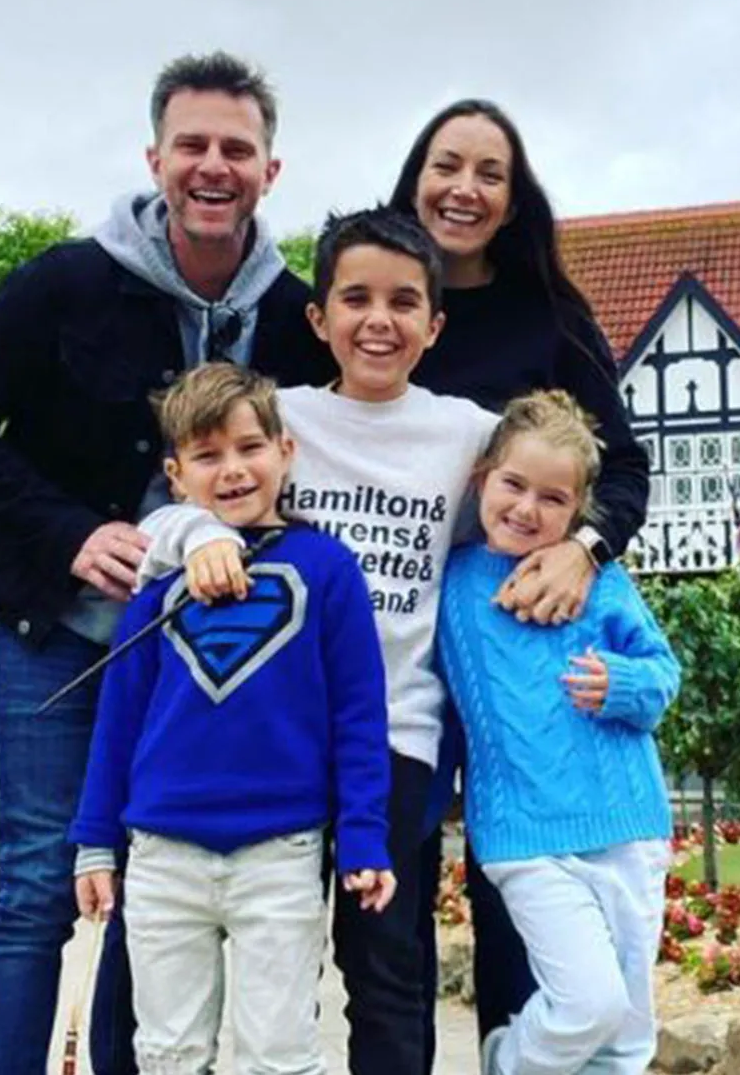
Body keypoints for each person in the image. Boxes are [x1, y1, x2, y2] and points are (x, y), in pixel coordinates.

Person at [0, 51, 332, 1073]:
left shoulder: (296, 319)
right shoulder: (65, 281)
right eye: (193, 145)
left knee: (154, 891)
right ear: (157, 158)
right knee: (38, 890)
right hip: (56, 632)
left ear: (271, 171)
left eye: (238, 148)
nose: (214, 166)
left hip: (198, 658)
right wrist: (67, 532)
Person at [141, 206, 498, 1075]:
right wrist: (197, 536)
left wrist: (578, 545)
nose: (379, 320)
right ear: (319, 317)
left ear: (434, 324)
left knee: (384, 963)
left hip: (395, 730)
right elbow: (161, 519)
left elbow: (554, 482)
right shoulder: (274, 419)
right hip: (278, 738)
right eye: (356, 298)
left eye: (404, 302)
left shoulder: (468, 432)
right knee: (272, 960)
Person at [391, 98, 653, 1058]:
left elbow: (624, 468)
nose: (464, 188)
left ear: (512, 199)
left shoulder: (548, 313)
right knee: (398, 884)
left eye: (488, 173)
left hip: (520, 628)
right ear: (415, 175)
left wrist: (577, 548)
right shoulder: (382, 293)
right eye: (445, 164)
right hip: (406, 633)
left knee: (526, 881)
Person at [69, 362, 393, 1074]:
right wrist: (95, 842)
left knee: (279, 1052)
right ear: (176, 474)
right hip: (161, 853)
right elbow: (117, 721)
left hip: (280, 850)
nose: (233, 470)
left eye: (249, 447)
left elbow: (361, 714)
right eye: (207, 455)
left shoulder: (329, 567)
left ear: (286, 450)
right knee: (167, 1051)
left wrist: (365, 835)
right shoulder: (157, 591)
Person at [436, 391, 676, 1075]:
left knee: (626, 1039)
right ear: (482, 478)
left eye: (553, 498)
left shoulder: (602, 583)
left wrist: (623, 685)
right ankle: (507, 1061)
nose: (526, 509)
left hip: (627, 823)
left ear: (577, 511)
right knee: (586, 1006)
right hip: (524, 834)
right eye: (513, 485)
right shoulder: (452, 585)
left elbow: (662, 675)